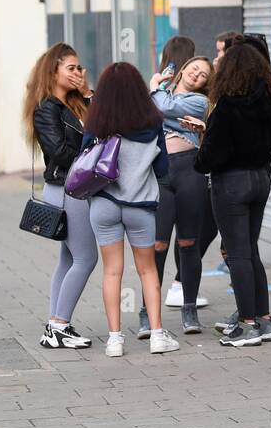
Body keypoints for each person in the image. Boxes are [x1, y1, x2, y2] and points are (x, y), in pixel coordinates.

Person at [82, 62, 177, 357]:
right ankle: (157, 335)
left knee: (112, 272)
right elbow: (163, 169)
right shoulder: (152, 122)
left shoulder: (97, 123)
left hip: (104, 204)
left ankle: (114, 340)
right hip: (140, 206)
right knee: (148, 270)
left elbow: (83, 159)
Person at [195, 42, 271, 346]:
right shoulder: (270, 102)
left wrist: (201, 140)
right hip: (261, 178)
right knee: (251, 250)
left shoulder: (227, 107)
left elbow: (208, 158)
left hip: (230, 183)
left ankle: (246, 325)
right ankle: (264, 318)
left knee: (237, 253)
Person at [24, 43, 95, 349]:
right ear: (53, 71)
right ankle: (58, 325)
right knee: (86, 258)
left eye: (80, 68)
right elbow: (59, 151)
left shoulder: (74, 104)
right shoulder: (46, 108)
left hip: (75, 187)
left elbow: (102, 129)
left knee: (68, 259)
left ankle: (57, 324)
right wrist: (92, 156)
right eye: (71, 68)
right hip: (67, 188)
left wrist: (89, 95)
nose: (78, 73)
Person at [147, 55, 214, 336]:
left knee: (188, 241)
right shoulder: (164, 95)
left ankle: (189, 309)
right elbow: (156, 114)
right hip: (161, 173)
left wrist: (155, 88)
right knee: (157, 244)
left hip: (189, 171)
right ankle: (147, 313)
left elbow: (164, 107)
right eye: (194, 69)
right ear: (184, 68)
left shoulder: (199, 102)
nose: (197, 75)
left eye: (203, 75)